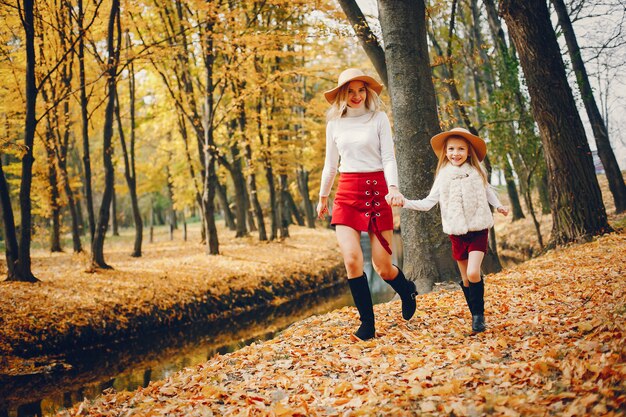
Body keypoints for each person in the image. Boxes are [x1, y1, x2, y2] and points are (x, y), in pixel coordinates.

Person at [317, 68, 418, 341]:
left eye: (361, 90)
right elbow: (330, 165)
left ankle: (406, 289)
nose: (356, 96)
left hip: (377, 191)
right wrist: (322, 196)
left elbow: (388, 158)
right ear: (341, 95)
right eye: (349, 91)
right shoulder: (334, 125)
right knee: (352, 260)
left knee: (383, 267)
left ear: (368, 91)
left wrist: (393, 188)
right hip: (347, 193)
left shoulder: (379, 119)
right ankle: (367, 324)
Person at [401, 127, 509, 333]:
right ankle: (475, 314)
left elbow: (488, 192)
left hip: (478, 229)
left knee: (473, 272)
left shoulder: (477, 172)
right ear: (445, 152)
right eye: (451, 149)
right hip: (457, 233)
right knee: (467, 279)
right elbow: (428, 202)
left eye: (461, 149)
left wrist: (500, 206)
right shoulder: (443, 175)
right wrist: (405, 202)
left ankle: (479, 316)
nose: (455, 153)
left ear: (469, 152)